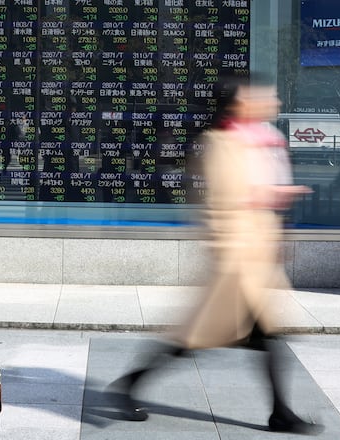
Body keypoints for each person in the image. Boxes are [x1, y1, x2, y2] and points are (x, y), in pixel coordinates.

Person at [107, 75, 320, 434]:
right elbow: (221, 205)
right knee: (200, 339)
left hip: (252, 261)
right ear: (241, 102)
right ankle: (129, 385)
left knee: (242, 338)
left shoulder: (261, 140)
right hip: (236, 264)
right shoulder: (221, 144)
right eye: (266, 96)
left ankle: (279, 411)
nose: (275, 102)